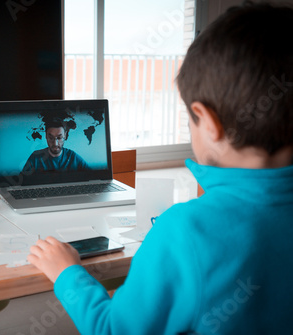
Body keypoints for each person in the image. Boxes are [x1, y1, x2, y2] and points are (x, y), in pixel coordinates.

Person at [28, 3, 293, 334]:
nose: (55, 142)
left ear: (208, 123)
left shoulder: (185, 231)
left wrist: (67, 272)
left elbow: (113, 329)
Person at [21, 119, 91, 175]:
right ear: (46, 136)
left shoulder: (73, 157)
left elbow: (91, 177)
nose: (55, 143)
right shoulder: (36, 157)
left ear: (65, 136)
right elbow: (22, 183)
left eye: (59, 138)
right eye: (51, 138)